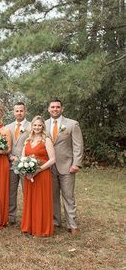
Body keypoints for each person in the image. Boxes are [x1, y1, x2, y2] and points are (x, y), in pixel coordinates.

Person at [45, 99, 84, 234]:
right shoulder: (43, 125)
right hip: (49, 167)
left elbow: (78, 145)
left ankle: (72, 224)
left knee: (68, 195)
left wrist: (76, 163)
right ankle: (55, 222)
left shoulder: (72, 124)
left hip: (67, 165)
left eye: (57, 107)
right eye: (52, 107)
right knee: (53, 196)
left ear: (62, 109)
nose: (55, 109)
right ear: (48, 109)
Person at [20, 116, 56, 237]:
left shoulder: (47, 140)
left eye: (39, 125)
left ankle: (41, 228)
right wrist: (25, 169)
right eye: (35, 125)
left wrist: (38, 170)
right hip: (29, 175)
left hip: (42, 174)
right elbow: (22, 158)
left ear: (43, 127)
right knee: (30, 200)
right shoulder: (27, 140)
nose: (37, 127)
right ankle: (29, 227)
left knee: (41, 200)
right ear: (32, 126)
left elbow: (52, 160)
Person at [6, 102, 31, 225]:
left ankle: (28, 216)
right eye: (17, 111)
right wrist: (10, 156)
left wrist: (23, 159)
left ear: (25, 111)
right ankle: (11, 216)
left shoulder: (32, 126)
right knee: (11, 191)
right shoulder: (8, 127)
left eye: (21, 111)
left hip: (26, 165)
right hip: (11, 164)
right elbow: (6, 145)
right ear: (13, 112)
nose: (19, 113)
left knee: (27, 191)